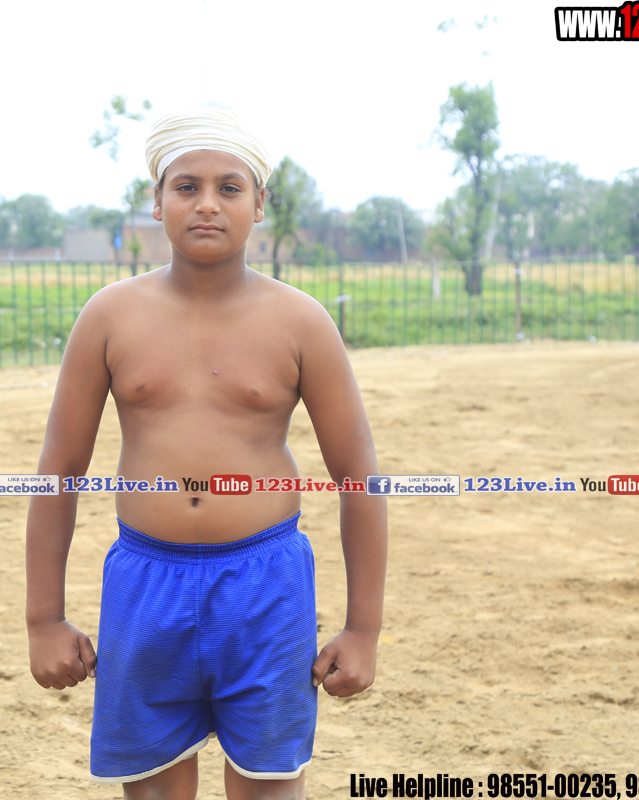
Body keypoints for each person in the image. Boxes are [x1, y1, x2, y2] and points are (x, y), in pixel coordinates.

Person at [25, 103, 387, 800]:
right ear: (156, 201)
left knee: (268, 783)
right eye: (186, 186)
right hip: (145, 586)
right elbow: (58, 472)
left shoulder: (301, 322)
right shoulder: (109, 316)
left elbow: (359, 477)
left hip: (266, 587)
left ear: (260, 204)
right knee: (152, 785)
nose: (208, 204)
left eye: (230, 187)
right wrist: (43, 618)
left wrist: (363, 629)